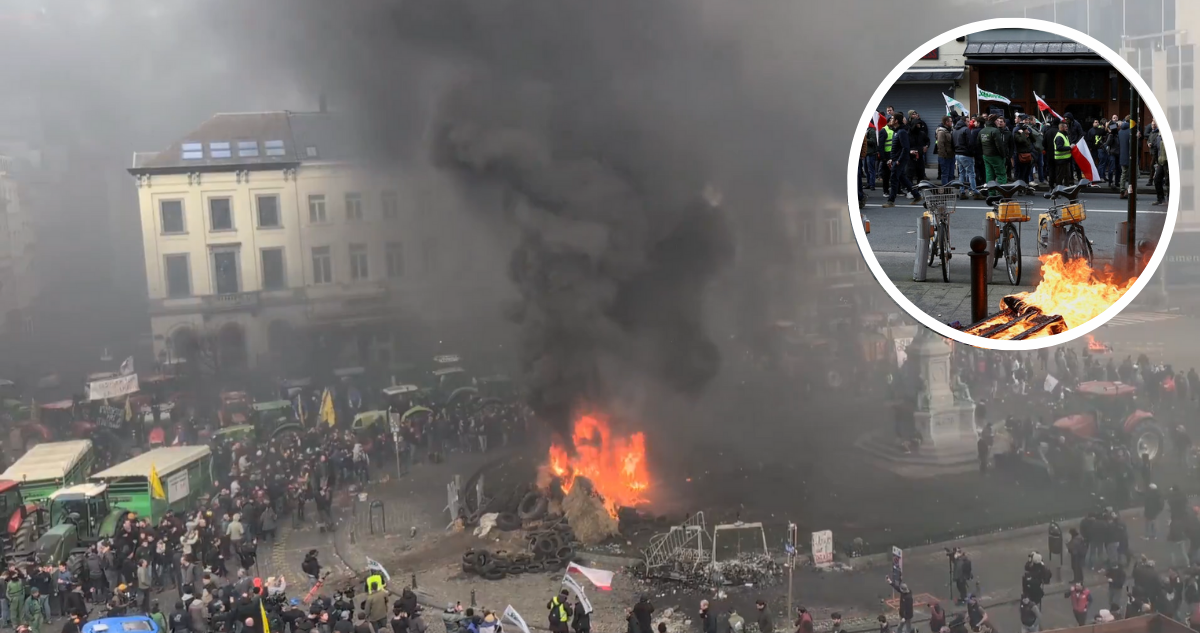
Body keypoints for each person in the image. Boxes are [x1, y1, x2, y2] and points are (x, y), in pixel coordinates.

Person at [882, 114, 920, 208]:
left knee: (894, 178)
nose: (890, 120)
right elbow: (897, 148)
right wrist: (892, 158)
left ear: (896, 121)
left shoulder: (902, 132)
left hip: (899, 160)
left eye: (892, 118)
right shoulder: (897, 131)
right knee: (902, 178)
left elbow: (905, 147)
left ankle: (891, 200)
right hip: (896, 158)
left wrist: (899, 160)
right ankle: (917, 195)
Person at [980, 115, 1008, 184]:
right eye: (997, 120)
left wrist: (983, 153)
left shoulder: (982, 131)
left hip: (986, 155)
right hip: (996, 156)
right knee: (1001, 174)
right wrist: (1003, 155)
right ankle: (1002, 191)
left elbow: (978, 144)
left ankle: (991, 192)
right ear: (994, 121)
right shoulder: (995, 131)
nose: (998, 122)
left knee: (989, 174)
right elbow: (999, 145)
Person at [1052, 120, 1074, 187]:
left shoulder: (1064, 135)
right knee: (1061, 175)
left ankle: (1066, 187)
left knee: (1067, 174)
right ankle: (1058, 189)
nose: (1067, 128)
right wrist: (1069, 147)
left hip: (1065, 159)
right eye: (1065, 127)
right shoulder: (1059, 137)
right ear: (1061, 128)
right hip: (1061, 159)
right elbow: (1059, 148)